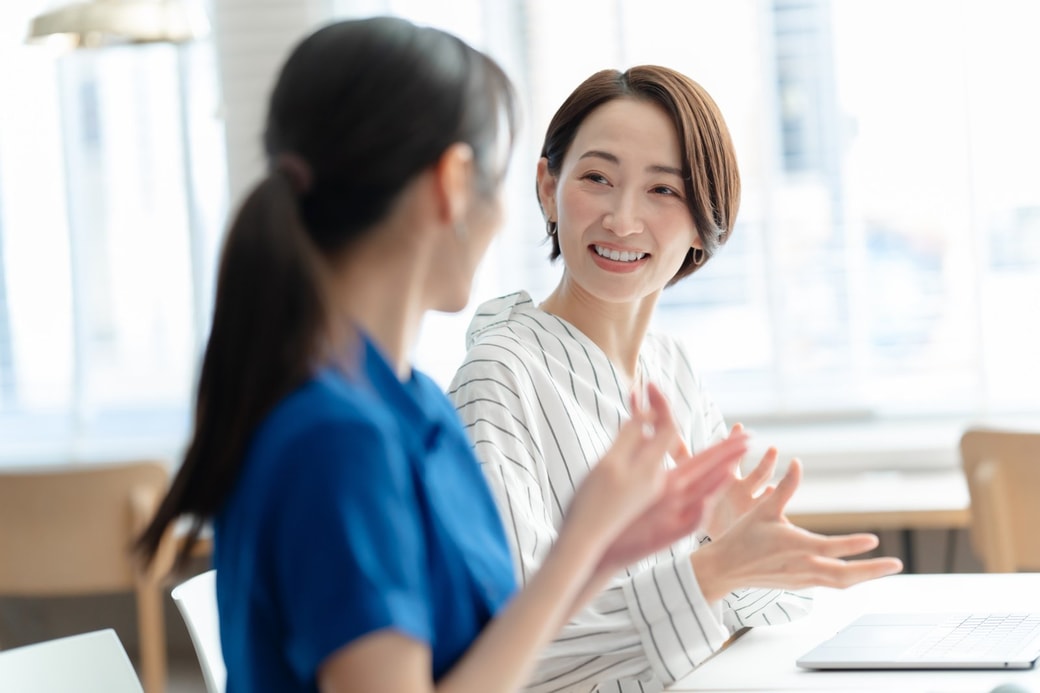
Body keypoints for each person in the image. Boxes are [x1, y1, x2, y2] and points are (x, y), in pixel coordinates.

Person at [133, 19, 753, 693]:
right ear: (454, 181)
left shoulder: (412, 405)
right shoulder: (338, 440)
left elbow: (490, 659)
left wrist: (597, 550)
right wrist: (586, 547)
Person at [447, 65, 904, 692]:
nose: (623, 219)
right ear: (548, 186)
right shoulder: (500, 377)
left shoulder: (670, 368)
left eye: (663, 190)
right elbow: (510, 647)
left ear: (702, 220)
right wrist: (712, 570)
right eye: (596, 178)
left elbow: (771, 610)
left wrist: (730, 539)